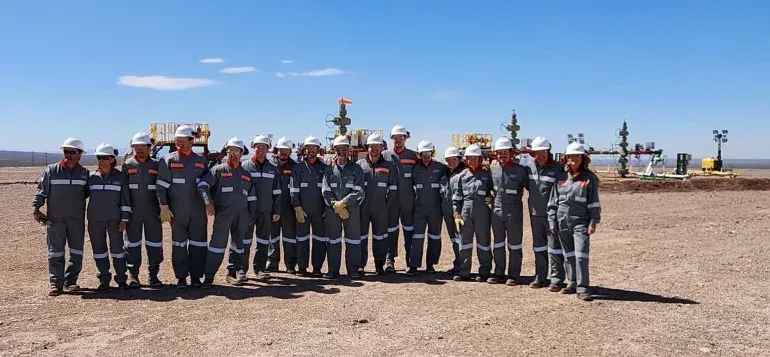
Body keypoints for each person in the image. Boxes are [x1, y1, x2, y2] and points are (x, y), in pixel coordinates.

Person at [156, 124, 213, 289]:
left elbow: (207, 184)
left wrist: (209, 202)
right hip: (177, 211)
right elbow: (161, 185)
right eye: (176, 141)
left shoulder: (201, 161)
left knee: (198, 244)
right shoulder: (168, 160)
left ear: (191, 141)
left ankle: (196, 277)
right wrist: (163, 205)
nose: (179, 143)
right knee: (179, 244)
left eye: (182, 140)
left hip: (197, 211)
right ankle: (181, 277)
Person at [33, 137, 90, 296]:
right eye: (66, 151)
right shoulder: (51, 171)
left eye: (72, 152)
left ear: (80, 154)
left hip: (76, 220)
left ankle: (70, 281)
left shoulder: (84, 174)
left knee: (77, 252)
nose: (68, 154)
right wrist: (36, 208)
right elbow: (41, 191)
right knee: (55, 252)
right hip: (55, 219)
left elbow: (86, 193)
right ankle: (56, 284)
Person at [547, 142, 601, 301]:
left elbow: (594, 202)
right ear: (566, 158)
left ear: (583, 158)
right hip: (562, 221)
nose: (574, 159)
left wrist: (593, 221)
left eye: (577, 156)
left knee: (581, 255)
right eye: (571, 156)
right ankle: (572, 283)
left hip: (580, 222)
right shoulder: (560, 178)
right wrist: (552, 221)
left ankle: (583, 288)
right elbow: (553, 202)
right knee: (569, 254)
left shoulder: (589, 178)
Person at [199, 138, 255, 288]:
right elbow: (203, 185)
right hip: (224, 214)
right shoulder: (219, 170)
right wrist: (208, 202)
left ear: (242, 153)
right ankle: (209, 276)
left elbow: (252, 197)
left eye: (236, 151)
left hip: (242, 215)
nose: (233, 154)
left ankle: (233, 273)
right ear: (226, 152)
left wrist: (251, 214)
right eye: (230, 151)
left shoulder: (246, 174)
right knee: (217, 245)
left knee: (238, 244)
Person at [86, 143, 131, 290]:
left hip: (115, 221)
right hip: (95, 221)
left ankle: (121, 279)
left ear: (112, 159)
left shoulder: (120, 177)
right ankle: (103, 279)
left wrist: (124, 219)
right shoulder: (91, 177)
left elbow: (125, 200)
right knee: (99, 251)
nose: (102, 161)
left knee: (118, 251)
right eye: (99, 158)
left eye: (105, 158)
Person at [122, 132, 164, 289]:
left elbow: (163, 188)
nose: (139, 149)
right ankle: (133, 276)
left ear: (149, 147)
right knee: (132, 244)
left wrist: (164, 207)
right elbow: (124, 192)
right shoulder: (127, 165)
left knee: (154, 244)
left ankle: (153, 275)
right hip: (134, 213)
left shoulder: (157, 165)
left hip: (153, 212)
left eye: (142, 146)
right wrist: (125, 214)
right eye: (136, 146)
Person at [321, 136, 365, 279]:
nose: (341, 151)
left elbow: (358, 190)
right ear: (334, 150)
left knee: (353, 240)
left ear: (349, 150)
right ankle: (333, 270)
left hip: (351, 209)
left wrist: (344, 203)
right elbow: (325, 191)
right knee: (333, 240)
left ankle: (353, 270)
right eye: (338, 149)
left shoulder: (356, 169)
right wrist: (336, 205)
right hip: (333, 210)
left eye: (344, 148)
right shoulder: (328, 170)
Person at [525, 136, 565, 290]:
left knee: (555, 248)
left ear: (549, 152)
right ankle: (540, 277)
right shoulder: (529, 168)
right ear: (533, 154)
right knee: (539, 247)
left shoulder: (558, 169)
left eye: (543, 152)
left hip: (552, 215)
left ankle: (556, 279)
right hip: (535, 214)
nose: (540, 155)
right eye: (537, 152)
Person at [241, 134, 281, 280]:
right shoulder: (245, 167)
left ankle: (260, 269)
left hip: (266, 211)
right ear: (253, 148)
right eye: (258, 147)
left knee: (263, 241)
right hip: (248, 211)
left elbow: (277, 192)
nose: (260, 150)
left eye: (263, 147)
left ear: (268, 149)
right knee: (245, 241)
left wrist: (276, 210)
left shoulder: (273, 169)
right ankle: (241, 270)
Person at [489, 137, 529, 285]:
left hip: (514, 212)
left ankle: (513, 275)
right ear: (496, 154)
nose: (502, 155)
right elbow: (487, 188)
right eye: (499, 153)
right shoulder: (492, 169)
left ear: (511, 153)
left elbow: (532, 188)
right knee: (498, 244)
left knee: (514, 245)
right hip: (496, 211)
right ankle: (498, 272)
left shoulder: (520, 170)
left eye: (505, 152)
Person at [451, 144, 494, 282]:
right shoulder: (461, 176)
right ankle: (464, 271)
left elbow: (495, 190)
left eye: (476, 158)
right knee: (464, 243)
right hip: (465, 212)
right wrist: (456, 213)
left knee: (483, 243)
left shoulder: (487, 174)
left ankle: (484, 271)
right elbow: (457, 196)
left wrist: (491, 197)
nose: (473, 161)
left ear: (480, 159)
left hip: (482, 212)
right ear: (466, 160)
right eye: (470, 158)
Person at [356, 133, 397, 275]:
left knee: (380, 237)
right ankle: (360, 264)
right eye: (371, 146)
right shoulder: (359, 165)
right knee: (361, 236)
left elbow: (393, 188)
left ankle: (379, 265)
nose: (374, 149)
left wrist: (386, 205)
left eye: (377, 146)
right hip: (362, 207)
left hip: (381, 208)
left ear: (382, 147)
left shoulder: (388, 166)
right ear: (367, 147)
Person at [407, 140, 447, 275]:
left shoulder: (441, 167)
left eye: (428, 153)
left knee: (434, 236)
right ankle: (413, 265)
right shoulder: (415, 168)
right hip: (419, 208)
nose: (426, 156)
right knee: (417, 236)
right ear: (419, 154)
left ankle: (431, 264)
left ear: (432, 153)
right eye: (423, 153)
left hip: (436, 208)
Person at [291, 136, 328, 277]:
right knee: (302, 238)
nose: (311, 150)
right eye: (308, 147)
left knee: (320, 239)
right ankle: (302, 267)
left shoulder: (325, 168)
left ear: (318, 149)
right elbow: (294, 189)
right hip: (303, 210)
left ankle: (317, 267)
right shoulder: (298, 168)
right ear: (304, 149)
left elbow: (328, 190)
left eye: (314, 147)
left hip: (320, 210)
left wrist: (327, 208)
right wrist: (297, 206)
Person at [384, 125, 418, 272]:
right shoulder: (385, 155)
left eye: (401, 137)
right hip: (391, 201)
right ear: (391, 138)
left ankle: (410, 261)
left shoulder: (413, 156)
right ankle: (389, 261)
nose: (398, 140)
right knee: (391, 230)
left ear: (406, 138)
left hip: (408, 200)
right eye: (395, 138)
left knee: (409, 230)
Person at [267, 137, 298, 273]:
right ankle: (272, 263)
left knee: (290, 237)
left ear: (290, 151)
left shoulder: (295, 167)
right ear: (276, 150)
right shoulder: (269, 166)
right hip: (272, 207)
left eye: (286, 150)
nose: (283, 152)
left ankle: (290, 265)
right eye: (281, 150)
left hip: (289, 207)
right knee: (272, 237)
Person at [440, 147, 465, 275]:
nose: (451, 162)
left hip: (460, 212)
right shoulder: (444, 173)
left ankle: (463, 266)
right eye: (448, 160)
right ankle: (458, 263)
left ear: (459, 159)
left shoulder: (465, 173)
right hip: (447, 211)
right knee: (454, 239)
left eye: (454, 159)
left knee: (462, 238)